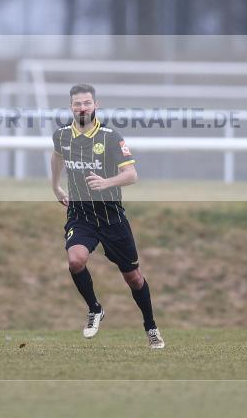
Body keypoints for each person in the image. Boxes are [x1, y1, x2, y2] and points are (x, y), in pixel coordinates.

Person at [50, 84, 165, 349]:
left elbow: (132, 175)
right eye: (77, 104)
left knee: (133, 277)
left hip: (111, 217)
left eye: (87, 103)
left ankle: (151, 327)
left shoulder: (111, 137)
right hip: (80, 214)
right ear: (71, 107)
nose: (82, 108)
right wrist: (55, 186)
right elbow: (57, 158)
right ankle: (95, 309)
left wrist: (107, 182)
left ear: (95, 105)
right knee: (75, 260)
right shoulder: (61, 136)